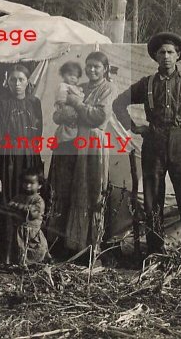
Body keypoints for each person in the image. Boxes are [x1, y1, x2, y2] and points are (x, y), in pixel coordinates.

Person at [113, 32, 181, 254]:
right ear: (155, 57)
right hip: (154, 143)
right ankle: (156, 251)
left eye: (170, 52)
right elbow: (119, 103)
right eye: (161, 52)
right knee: (152, 198)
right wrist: (135, 127)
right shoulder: (146, 84)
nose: (166, 56)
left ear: (178, 56)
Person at [0, 64, 44, 264]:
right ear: (7, 82)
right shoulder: (1, 103)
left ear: (27, 81)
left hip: (28, 158)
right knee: (9, 201)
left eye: (21, 79)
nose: (17, 84)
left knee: (28, 203)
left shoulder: (34, 103)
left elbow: (38, 133)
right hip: (8, 159)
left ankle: (27, 255)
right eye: (13, 80)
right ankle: (7, 254)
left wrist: (35, 159)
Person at [63, 51, 115, 255]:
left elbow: (99, 117)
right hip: (77, 140)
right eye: (89, 66)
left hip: (94, 141)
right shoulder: (82, 87)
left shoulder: (108, 88)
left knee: (93, 188)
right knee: (78, 188)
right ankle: (75, 243)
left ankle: (94, 246)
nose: (92, 70)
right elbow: (63, 113)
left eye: (97, 67)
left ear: (105, 69)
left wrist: (77, 104)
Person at [47, 61, 83, 251]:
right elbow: (60, 108)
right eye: (69, 75)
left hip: (78, 140)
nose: (72, 78)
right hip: (66, 141)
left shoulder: (79, 89)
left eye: (76, 75)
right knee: (61, 189)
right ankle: (56, 239)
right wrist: (63, 109)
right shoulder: (64, 88)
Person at [7, 169, 49, 266]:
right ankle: (20, 264)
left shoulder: (38, 200)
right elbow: (11, 207)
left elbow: (33, 214)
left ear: (39, 185)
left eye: (31, 183)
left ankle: (34, 264)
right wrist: (12, 206)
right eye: (25, 182)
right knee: (19, 247)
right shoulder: (19, 197)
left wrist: (20, 206)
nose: (28, 185)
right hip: (20, 229)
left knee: (35, 249)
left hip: (32, 232)